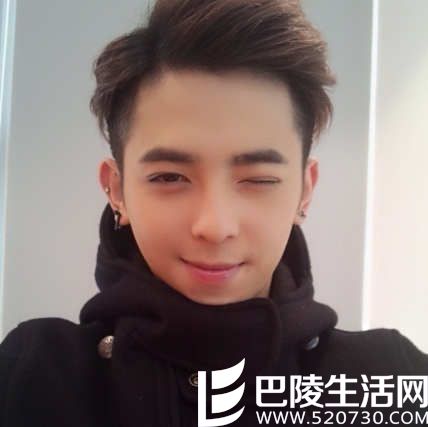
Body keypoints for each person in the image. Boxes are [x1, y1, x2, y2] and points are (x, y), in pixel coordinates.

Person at [1, 0, 427, 426]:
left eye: (258, 179)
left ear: (305, 189)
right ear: (117, 190)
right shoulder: (31, 373)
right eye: (169, 177)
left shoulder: (390, 378)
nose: (215, 226)